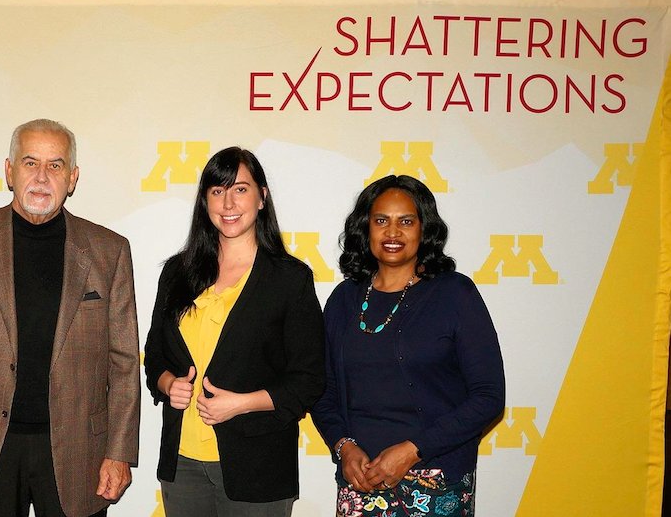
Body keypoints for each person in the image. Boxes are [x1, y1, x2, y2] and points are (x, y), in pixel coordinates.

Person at [0, 119, 140, 517]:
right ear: (9, 171)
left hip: (80, 452)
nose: (42, 177)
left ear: (73, 178)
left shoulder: (109, 251)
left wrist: (119, 452)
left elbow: (126, 364)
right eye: (30, 163)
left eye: (56, 165)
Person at [143, 147, 325, 517]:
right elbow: (156, 356)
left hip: (258, 465)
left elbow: (309, 380)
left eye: (240, 189)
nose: (228, 202)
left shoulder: (290, 279)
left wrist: (240, 403)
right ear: (205, 200)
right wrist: (167, 383)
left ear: (262, 197)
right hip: (182, 463)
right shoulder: (178, 272)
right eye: (216, 190)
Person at [311, 175, 505, 517]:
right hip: (361, 481)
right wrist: (344, 447)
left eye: (406, 221)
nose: (392, 232)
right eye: (381, 220)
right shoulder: (344, 299)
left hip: (436, 480)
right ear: (365, 228)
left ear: (424, 229)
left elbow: (488, 397)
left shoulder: (455, 294)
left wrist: (414, 451)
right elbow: (321, 390)